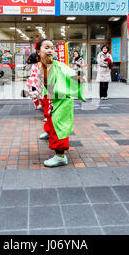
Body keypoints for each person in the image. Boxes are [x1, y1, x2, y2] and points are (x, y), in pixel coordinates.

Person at [35, 39, 85, 167]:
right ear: (39, 51)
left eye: (52, 47)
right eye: (46, 47)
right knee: (51, 121)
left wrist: (78, 78)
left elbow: (71, 75)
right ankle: (50, 135)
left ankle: (61, 156)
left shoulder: (58, 65)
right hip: (52, 98)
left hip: (62, 99)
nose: (50, 50)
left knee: (59, 126)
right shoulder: (40, 66)